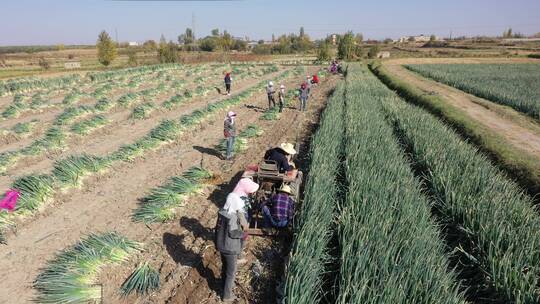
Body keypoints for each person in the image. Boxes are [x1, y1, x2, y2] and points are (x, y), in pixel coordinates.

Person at [215, 178, 259, 302]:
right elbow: (233, 233)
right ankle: (227, 296)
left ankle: (223, 286)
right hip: (230, 248)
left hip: (221, 246)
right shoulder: (233, 217)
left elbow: (217, 230)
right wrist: (243, 235)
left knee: (225, 268)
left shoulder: (222, 213)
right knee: (231, 272)